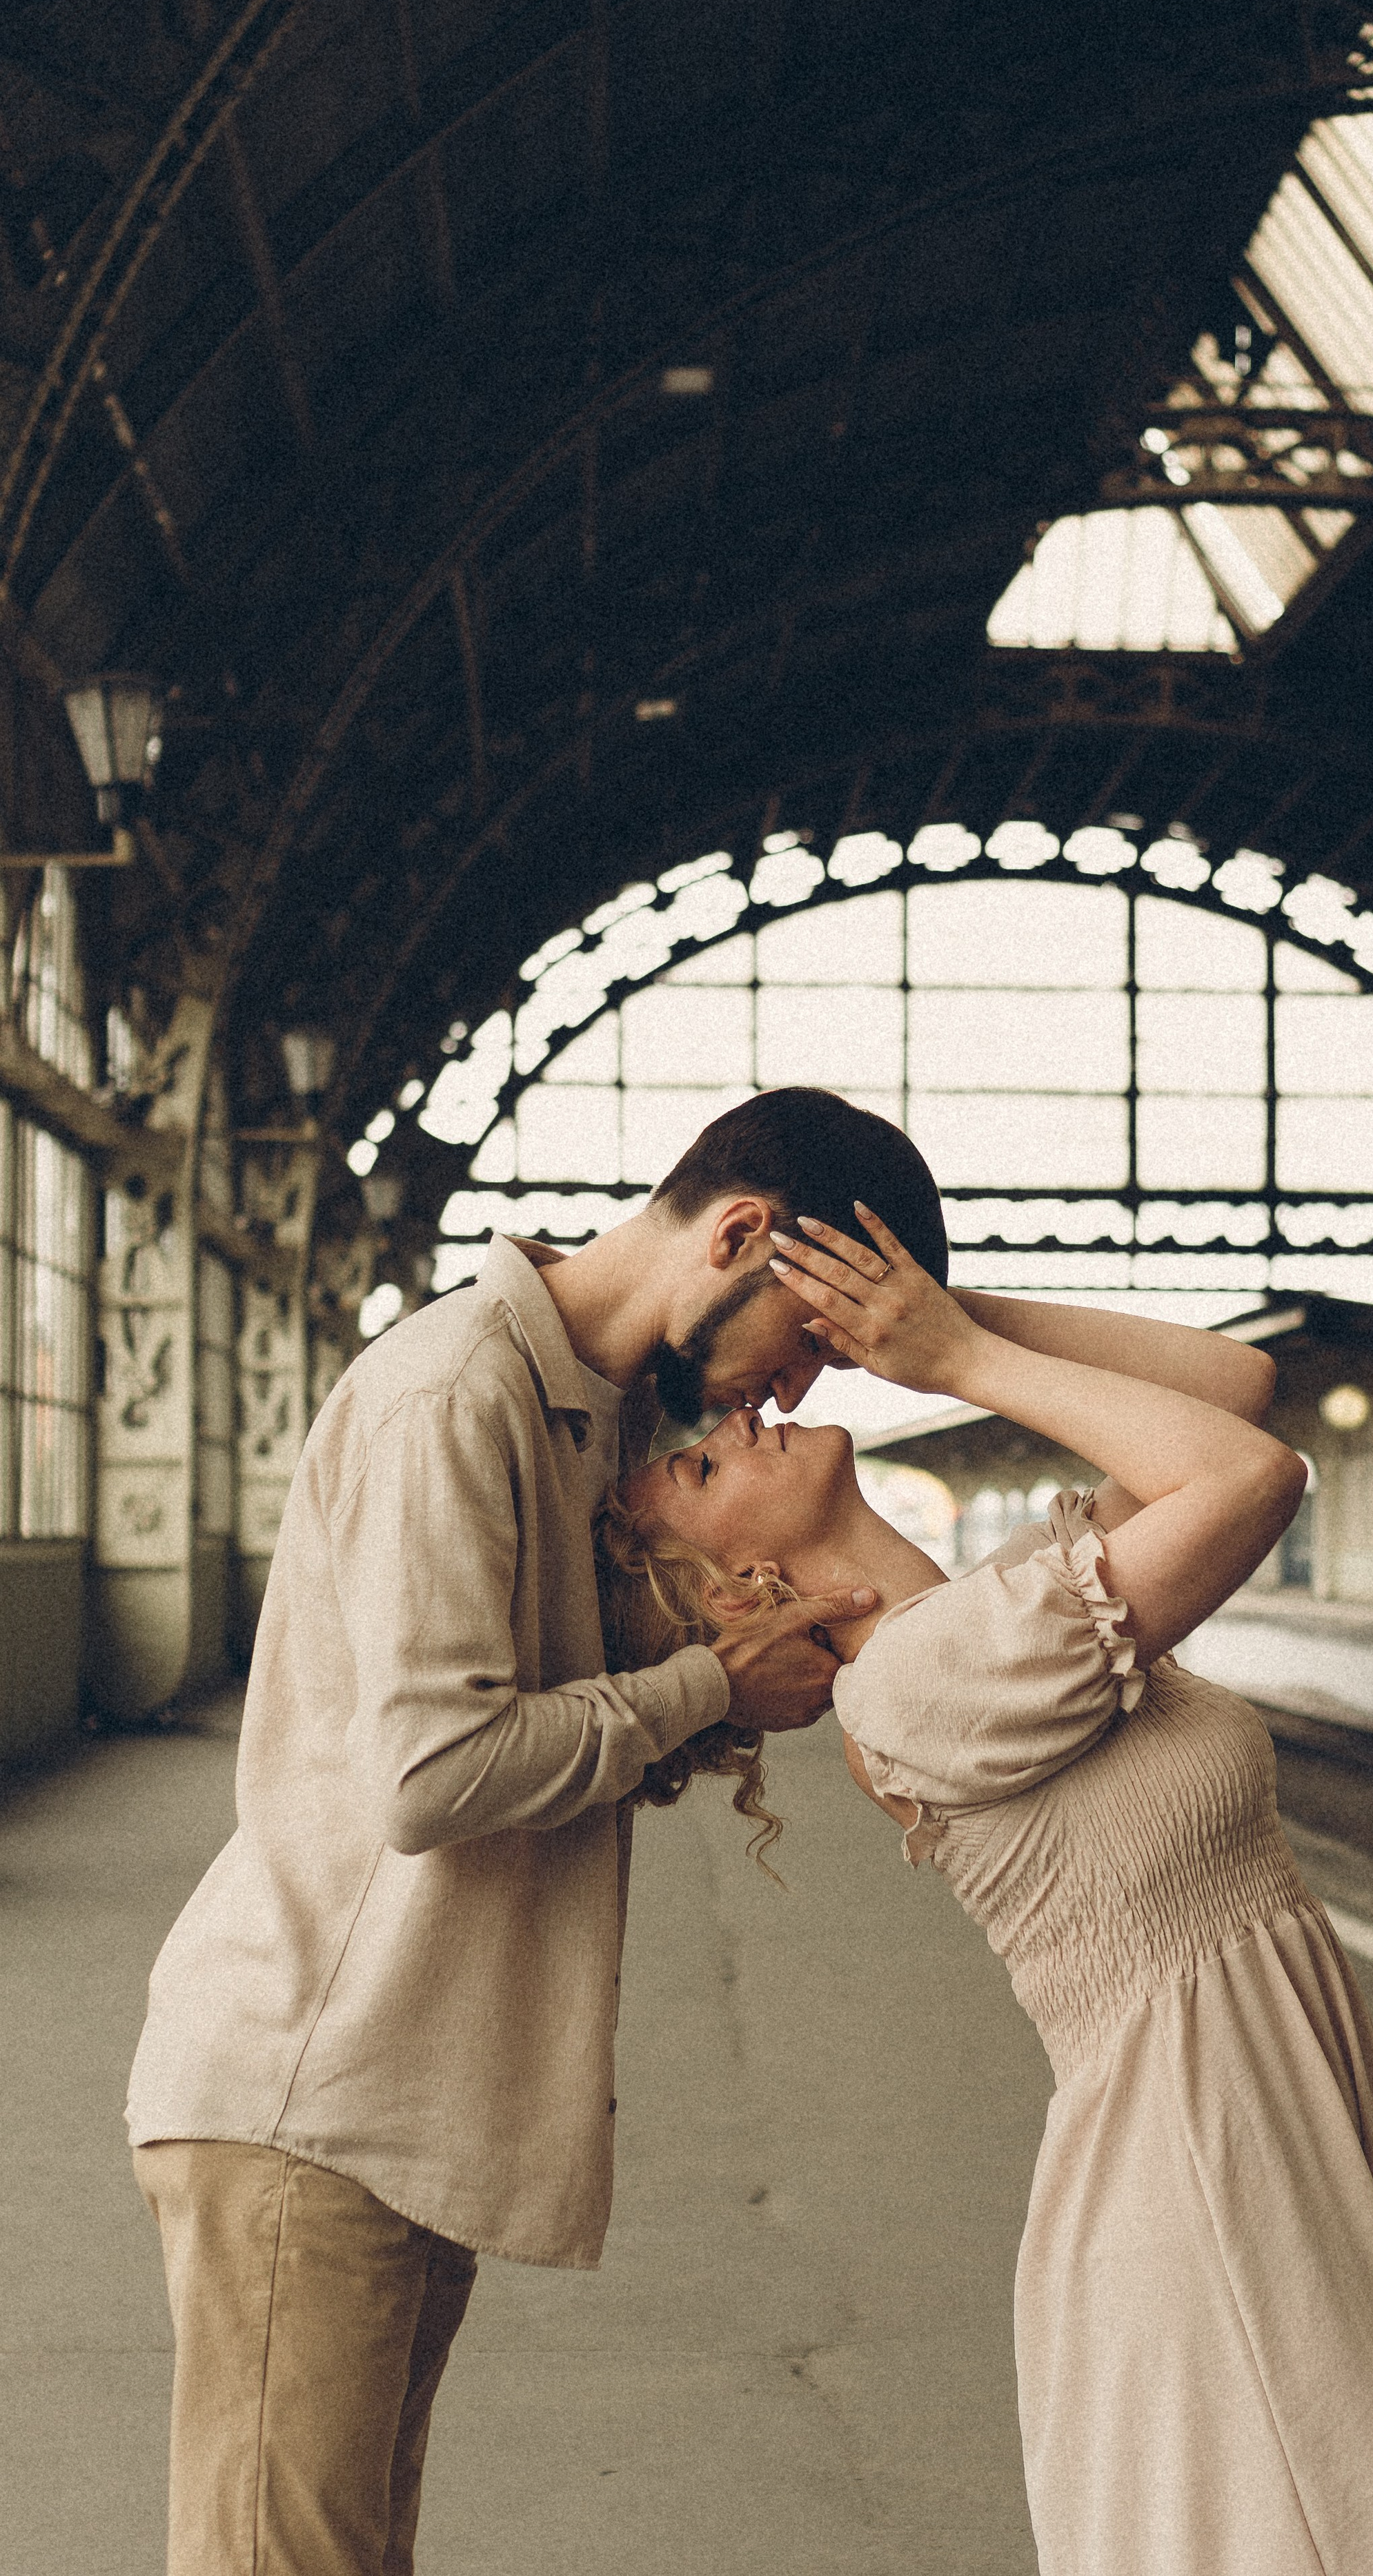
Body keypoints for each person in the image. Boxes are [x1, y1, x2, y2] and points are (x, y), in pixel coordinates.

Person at [601, 1204, 1373, 2576]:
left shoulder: (993, 1604)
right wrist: (949, 1364)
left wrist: (925, 1314)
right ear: (742, 1581)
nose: (737, 1428)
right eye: (702, 1467)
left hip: (1248, 2122)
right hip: (1199, 2157)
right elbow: (1251, 1474)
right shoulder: (921, 1679)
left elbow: (1225, 1386)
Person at [126, 1089, 947, 2576]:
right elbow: (431, 1776)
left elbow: (542, 1727)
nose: (801, 1394)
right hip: (310, 2090)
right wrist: (702, 1682)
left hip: (397, 2087)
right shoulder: (454, 1394)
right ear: (741, 1234)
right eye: (815, 1337)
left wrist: (717, 1698)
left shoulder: (596, 1416)